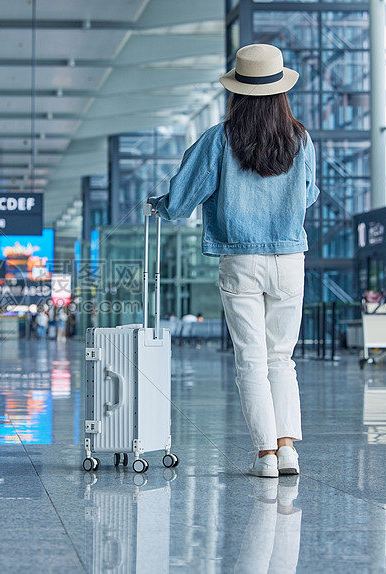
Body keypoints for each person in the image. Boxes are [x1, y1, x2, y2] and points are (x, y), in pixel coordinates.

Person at [149, 44, 319, 478]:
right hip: (288, 258)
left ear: (237, 92)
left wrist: (161, 207)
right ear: (281, 91)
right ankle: (289, 451)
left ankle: (265, 455)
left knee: (251, 359)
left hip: (240, 258)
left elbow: (184, 196)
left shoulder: (220, 138)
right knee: (283, 358)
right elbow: (310, 195)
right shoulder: (300, 139)